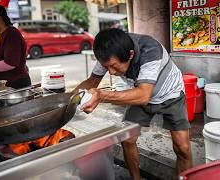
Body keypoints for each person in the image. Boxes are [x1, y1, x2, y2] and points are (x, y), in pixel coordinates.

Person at [74, 28, 193, 180]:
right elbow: (92, 82)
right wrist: (69, 101)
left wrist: (101, 95)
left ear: (130, 54)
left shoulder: (150, 50)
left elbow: (143, 95)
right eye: (106, 67)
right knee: (127, 138)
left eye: (114, 66)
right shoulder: (109, 52)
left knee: (182, 147)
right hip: (139, 92)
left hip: (171, 94)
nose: (110, 72)